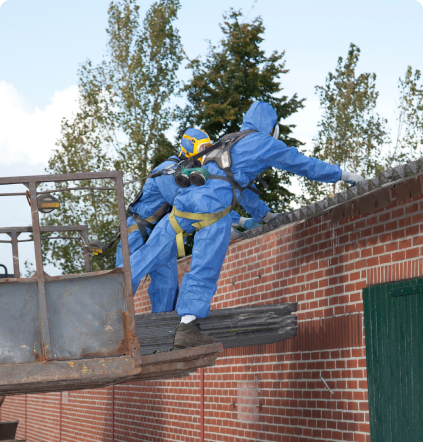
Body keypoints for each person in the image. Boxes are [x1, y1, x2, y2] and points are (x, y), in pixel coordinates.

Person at [129, 101, 364, 347]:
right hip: (213, 212)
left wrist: (263, 215)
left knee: (146, 254)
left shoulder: (227, 140)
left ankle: (113, 303)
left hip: (183, 205)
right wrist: (343, 175)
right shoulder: (265, 143)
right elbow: (303, 164)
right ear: (271, 126)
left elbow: (235, 183)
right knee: (204, 268)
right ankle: (187, 327)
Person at [116, 127, 265, 312]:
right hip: (137, 233)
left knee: (167, 287)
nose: (205, 154)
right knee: (124, 283)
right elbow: (194, 205)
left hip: (163, 237)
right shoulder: (168, 171)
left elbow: (206, 204)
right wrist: (237, 222)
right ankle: (110, 322)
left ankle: (162, 331)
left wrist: (239, 221)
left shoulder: (189, 172)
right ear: (190, 147)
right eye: (202, 148)